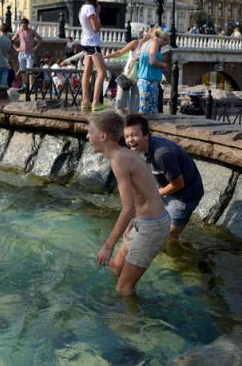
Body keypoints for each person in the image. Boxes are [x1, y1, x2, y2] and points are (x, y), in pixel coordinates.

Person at [87, 111, 170, 295]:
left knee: (124, 288)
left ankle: (130, 323)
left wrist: (108, 246)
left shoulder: (119, 160)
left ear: (103, 136)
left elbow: (128, 207)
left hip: (152, 226)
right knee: (116, 267)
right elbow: (142, 194)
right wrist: (136, 218)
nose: (87, 136)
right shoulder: (123, 155)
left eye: (90, 132)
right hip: (143, 221)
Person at [123, 114, 204, 237]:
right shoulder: (143, 148)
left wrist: (155, 194)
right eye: (127, 136)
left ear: (146, 135)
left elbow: (179, 184)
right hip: (167, 187)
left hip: (186, 194)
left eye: (134, 135)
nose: (130, 140)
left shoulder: (162, 154)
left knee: (170, 235)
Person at [104, 28, 154, 115]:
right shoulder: (136, 43)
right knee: (121, 104)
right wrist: (106, 56)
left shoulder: (151, 47)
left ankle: (129, 124)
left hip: (140, 78)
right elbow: (120, 52)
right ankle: (121, 122)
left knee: (133, 106)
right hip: (129, 75)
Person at [78, 0, 108, 113]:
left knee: (87, 71)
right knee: (102, 72)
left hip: (85, 41)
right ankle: (95, 102)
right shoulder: (90, 8)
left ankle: (85, 101)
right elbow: (96, 28)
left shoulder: (82, 8)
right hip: (92, 42)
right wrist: (98, 14)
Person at [136, 29, 169, 114]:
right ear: (162, 38)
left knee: (143, 110)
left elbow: (138, 58)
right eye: (165, 43)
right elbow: (152, 61)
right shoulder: (154, 43)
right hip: (149, 83)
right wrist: (163, 65)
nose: (163, 46)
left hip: (143, 81)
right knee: (149, 113)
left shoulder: (145, 44)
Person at [11, 18, 42, 91]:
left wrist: (36, 47)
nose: (24, 27)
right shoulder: (19, 31)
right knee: (22, 69)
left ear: (28, 24)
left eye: (25, 25)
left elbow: (40, 39)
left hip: (29, 53)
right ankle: (25, 85)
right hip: (21, 53)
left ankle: (31, 86)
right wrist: (16, 48)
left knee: (30, 70)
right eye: (23, 26)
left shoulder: (32, 31)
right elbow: (12, 40)